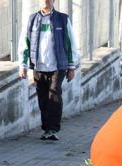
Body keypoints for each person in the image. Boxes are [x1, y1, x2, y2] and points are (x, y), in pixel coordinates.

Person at [18, 0, 79, 141]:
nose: (46, 1)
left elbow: (71, 42)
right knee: (43, 97)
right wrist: (23, 65)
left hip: (58, 66)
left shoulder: (63, 19)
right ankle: (46, 129)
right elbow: (24, 42)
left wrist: (71, 66)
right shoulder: (32, 19)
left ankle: (52, 129)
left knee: (54, 95)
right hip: (39, 67)